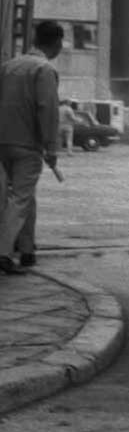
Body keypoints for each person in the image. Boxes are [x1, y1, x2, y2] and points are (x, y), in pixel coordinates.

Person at [0, 20, 63, 274]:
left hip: (2, 142)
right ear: (57, 43)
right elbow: (47, 110)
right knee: (21, 198)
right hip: (27, 145)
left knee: (21, 197)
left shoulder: (8, 66)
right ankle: (4, 252)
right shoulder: (44, 69)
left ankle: (27, 251)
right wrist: (51, 148)